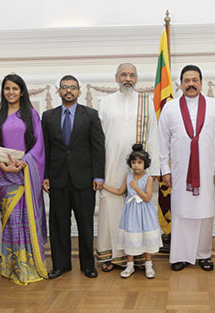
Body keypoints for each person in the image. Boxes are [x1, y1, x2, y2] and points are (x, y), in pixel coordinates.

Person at [158, 64, 215, 271]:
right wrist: (165, 170)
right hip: (180, 172)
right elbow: (162, 141)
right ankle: (179, 255)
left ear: (201, 82)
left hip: (208, 170)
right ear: (180, 84)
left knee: (205, 212)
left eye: (194, 80)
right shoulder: (170, 108)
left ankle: (204, 254)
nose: (191, 84)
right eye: (186, 80)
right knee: (181, 212)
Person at [96, 63, 159, 271]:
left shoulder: (146, 102)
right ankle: (111, 255)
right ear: (116, 77)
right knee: (111, 208)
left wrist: (155, 170)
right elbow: (97, 140)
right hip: (111, 166)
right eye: (124, 74)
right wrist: (97, 173)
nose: (128, 78)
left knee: (138, 210)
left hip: (139, 169)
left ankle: (139, 257)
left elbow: (153, 137)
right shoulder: (104, 103)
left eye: (132, 75)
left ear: (137, 78)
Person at [0, 74, 48, 285]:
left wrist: (25, 162)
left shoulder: (31, 114)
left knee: (27, 221)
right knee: (12, 222)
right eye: (7, 88)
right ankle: (13, 266)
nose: (10, 92)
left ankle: (29, 265)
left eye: (15, 88)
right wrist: (3, 165)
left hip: (25, 174)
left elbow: (39, 144)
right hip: (3, 176)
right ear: (2, 91)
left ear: (22, 91)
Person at [42, 75, 105, 279]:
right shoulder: (48, 116)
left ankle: (88, 265)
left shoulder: (91, 115)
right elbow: (45, 148)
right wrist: (45, 176)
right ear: (58, 91)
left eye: (72, 87)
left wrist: (98, 176)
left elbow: (98, 147)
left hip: (84, 179)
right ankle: (61, 265)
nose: (68, 91)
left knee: (85, 223)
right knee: (59, 224)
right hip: (57, 179)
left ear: (78, 91)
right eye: (64, 87)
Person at [103, 144, 162, 279]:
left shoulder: (148, 178)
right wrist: (104, 186)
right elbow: (119, 191)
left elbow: (147, 198)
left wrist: (136, 187)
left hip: (145, 212)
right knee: (130, 237)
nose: (136, 165)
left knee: (146, 237)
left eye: (139, 162)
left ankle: (148, 265)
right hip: (131, 212)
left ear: (145, 164)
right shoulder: (128, 176)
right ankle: (130, 266)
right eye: (134, 162)